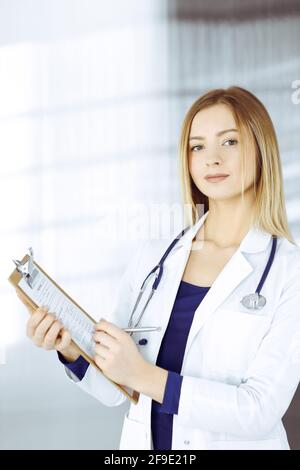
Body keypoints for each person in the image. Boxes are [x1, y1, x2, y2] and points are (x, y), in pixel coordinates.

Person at [17, 86, 300, 450]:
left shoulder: (288, 272)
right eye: (197, 146)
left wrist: (145, 375)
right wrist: (71, 348)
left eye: (229, 142)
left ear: (261, 149)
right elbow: (116, 389)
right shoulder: (154, 258)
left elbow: (259, 409)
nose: (211, 158)